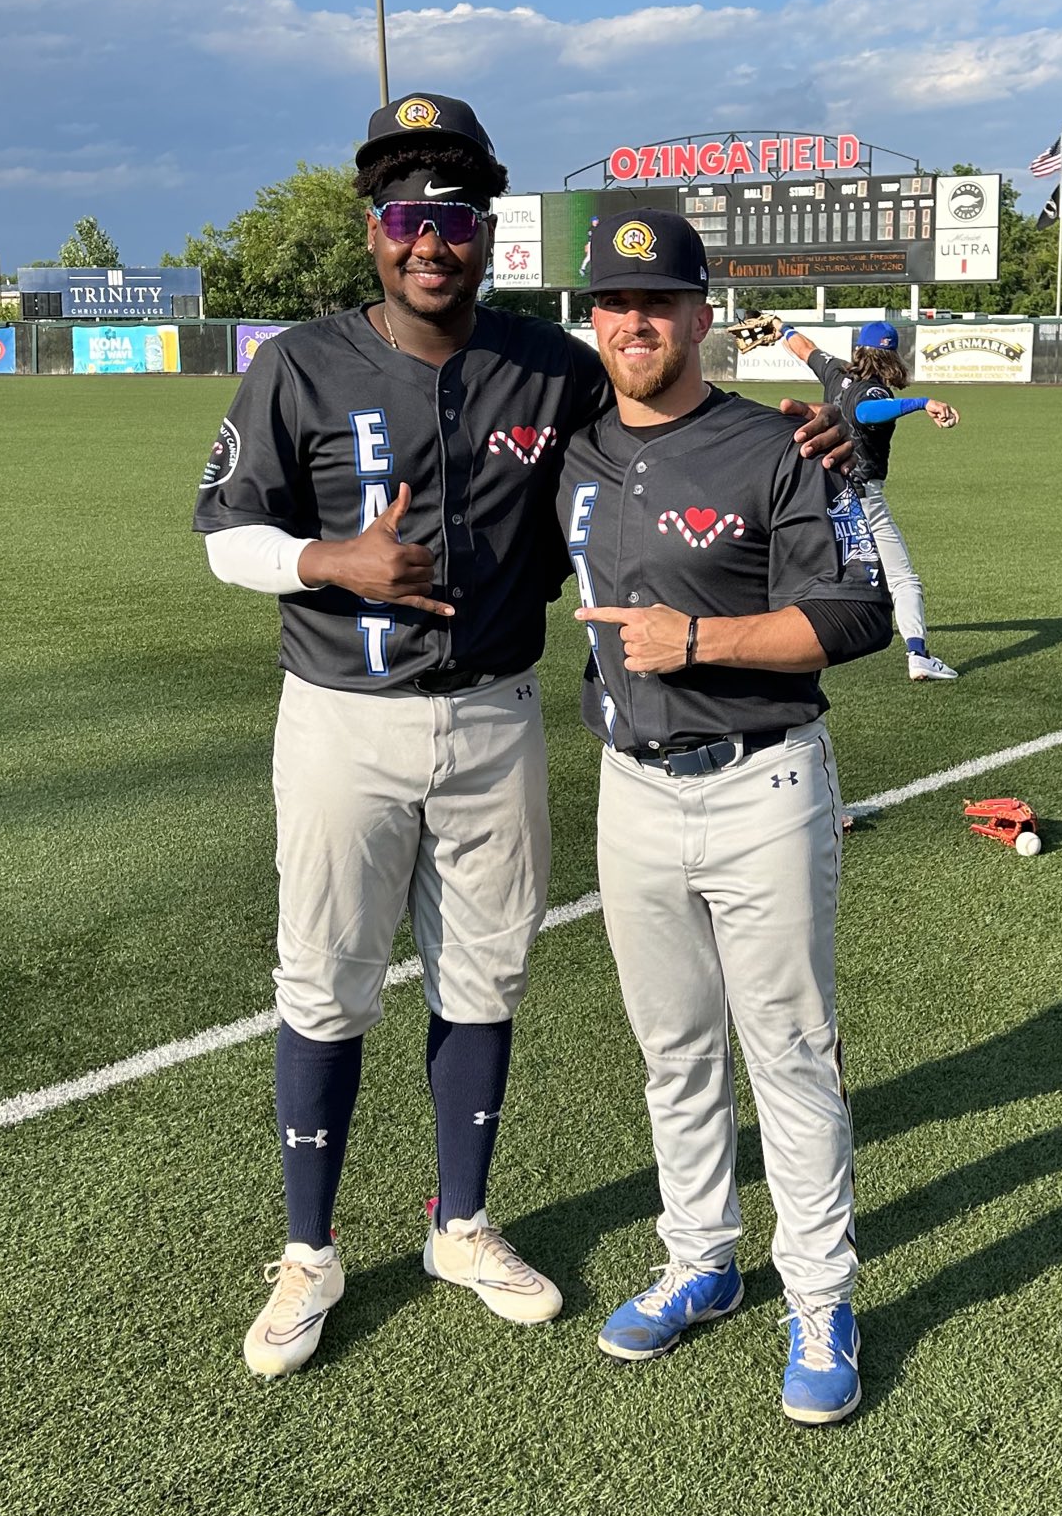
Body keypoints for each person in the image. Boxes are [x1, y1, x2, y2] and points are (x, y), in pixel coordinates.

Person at [193, 96, 849, 1380]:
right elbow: (224, 534)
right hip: (341, 717)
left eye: (452, 219)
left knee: (484, 979)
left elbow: (675, 441)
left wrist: (811, 436)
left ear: (485, 234)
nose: (428, 241)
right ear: (374, 232)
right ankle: (310, 1251)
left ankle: (462, 1224)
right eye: (404, 217)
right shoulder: (300, 363)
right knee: (324, 979)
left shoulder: (546, 367)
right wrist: (333, 557)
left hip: (496, 715)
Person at [560, 209, 892, 1426]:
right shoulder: (574, 446)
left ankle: (821, 1295)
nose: (634, 321)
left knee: (791, 1055)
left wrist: (694, 638)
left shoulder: (781, 445)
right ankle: (702, 1257)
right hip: (630, 788)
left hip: (762, 782)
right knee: (672, 1048)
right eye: (612, 302)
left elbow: (855, 613)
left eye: (658, 301)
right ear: (591, 319)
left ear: (702, 315)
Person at [782, 319, 961, 684]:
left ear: (859, 349)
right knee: (903, 578)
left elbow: (804, 348)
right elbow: (866, 413)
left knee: (808, 568)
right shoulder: (876, 393)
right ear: (892, 357)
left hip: (823, 491)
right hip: (863, 496)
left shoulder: (835, 372)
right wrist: (922, 402)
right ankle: (918, 654)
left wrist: (781, 329)